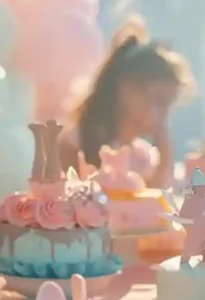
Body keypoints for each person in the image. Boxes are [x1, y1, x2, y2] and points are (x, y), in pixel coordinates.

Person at [59, 16, 194, 189]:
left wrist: (165, 159)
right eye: (158, 100)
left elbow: (152, 207)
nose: (164, 114)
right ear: (127, 90)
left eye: (168, 104)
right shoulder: (76, 143)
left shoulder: (142, 157)